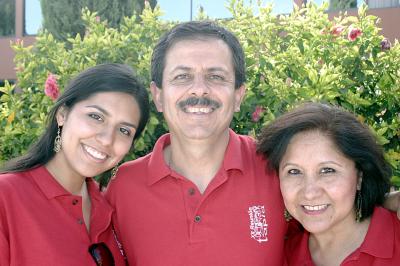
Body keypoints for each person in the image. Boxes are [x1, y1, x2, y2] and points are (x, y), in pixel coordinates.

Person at [105, 21, 287, 265]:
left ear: (238, 96)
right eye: (182, 76)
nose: (199, 90)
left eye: (216, 76)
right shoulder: (123, 188)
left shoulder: (278, 170)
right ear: (158, 96)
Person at [0, 63, 150, 266]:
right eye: (96, 117)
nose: (107, 140)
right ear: (63, 114)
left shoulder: (112, 209)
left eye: (124, 130)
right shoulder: (6, 198)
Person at [257, 102, 400, 265]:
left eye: (327, 170)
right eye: (294, 171)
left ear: (360, 176)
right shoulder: (281, 256)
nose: (309, 193)